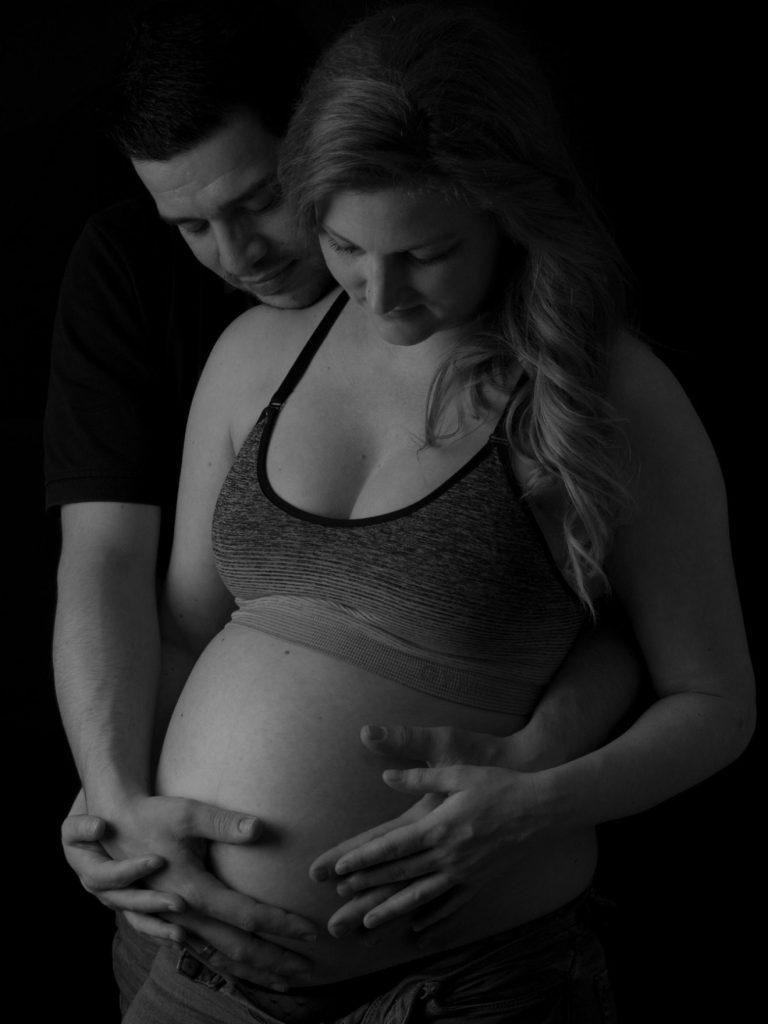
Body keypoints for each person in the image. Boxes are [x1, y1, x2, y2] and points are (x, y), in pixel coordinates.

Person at [90, 2, 753, 1021]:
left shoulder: (605, 394)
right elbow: (183, 627)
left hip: (462, 985)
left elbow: (713, 701)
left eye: (427, 253)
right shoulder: (255, 356)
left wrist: (534, 803)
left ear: (507, 212)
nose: (380, 291)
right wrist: (116, 803)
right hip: (193, 968)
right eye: (344, 245)